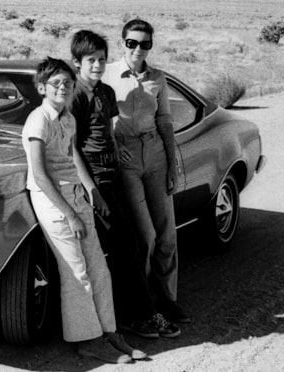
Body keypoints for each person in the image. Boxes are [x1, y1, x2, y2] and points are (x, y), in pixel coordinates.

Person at [23, 57, 146, 363]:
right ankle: (88, 340)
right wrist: (71, 214)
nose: (63, 87)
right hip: (53, 202)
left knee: (99, 270)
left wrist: (90, 194)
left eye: (67, 82)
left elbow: (71, 159)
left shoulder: (67, 118)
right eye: (56, 83)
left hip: (76, 196)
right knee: (76, 273)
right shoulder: (38, 121)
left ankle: (109, 333)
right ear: (42, 88)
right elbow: (40, 175)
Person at [70, 30, 181, 339]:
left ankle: (142, 313)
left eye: (101, 60)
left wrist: (116, 152)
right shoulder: (74, 94)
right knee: (127, 247)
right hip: (95, 179)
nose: (97, 65)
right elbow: (72, 146)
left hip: (114, 172)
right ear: (77, 62)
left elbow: (108, 127)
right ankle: (140, 316)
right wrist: (92, 191)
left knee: (130, 245)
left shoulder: (104, 91)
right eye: (91, 61)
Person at [103, 18, 191, 325]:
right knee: (146, 235)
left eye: (145, 44)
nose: (138, 49)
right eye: (132, 43)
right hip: (126, 159)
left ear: (150, 45)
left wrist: (171, 166)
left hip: (154, 155)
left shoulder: (158, 78)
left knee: (167, 234)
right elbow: (98, 115)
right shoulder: (108, 73)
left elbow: (165, 121)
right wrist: (114, 145)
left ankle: (167, 300)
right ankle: (143, 305)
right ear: (123, 42)